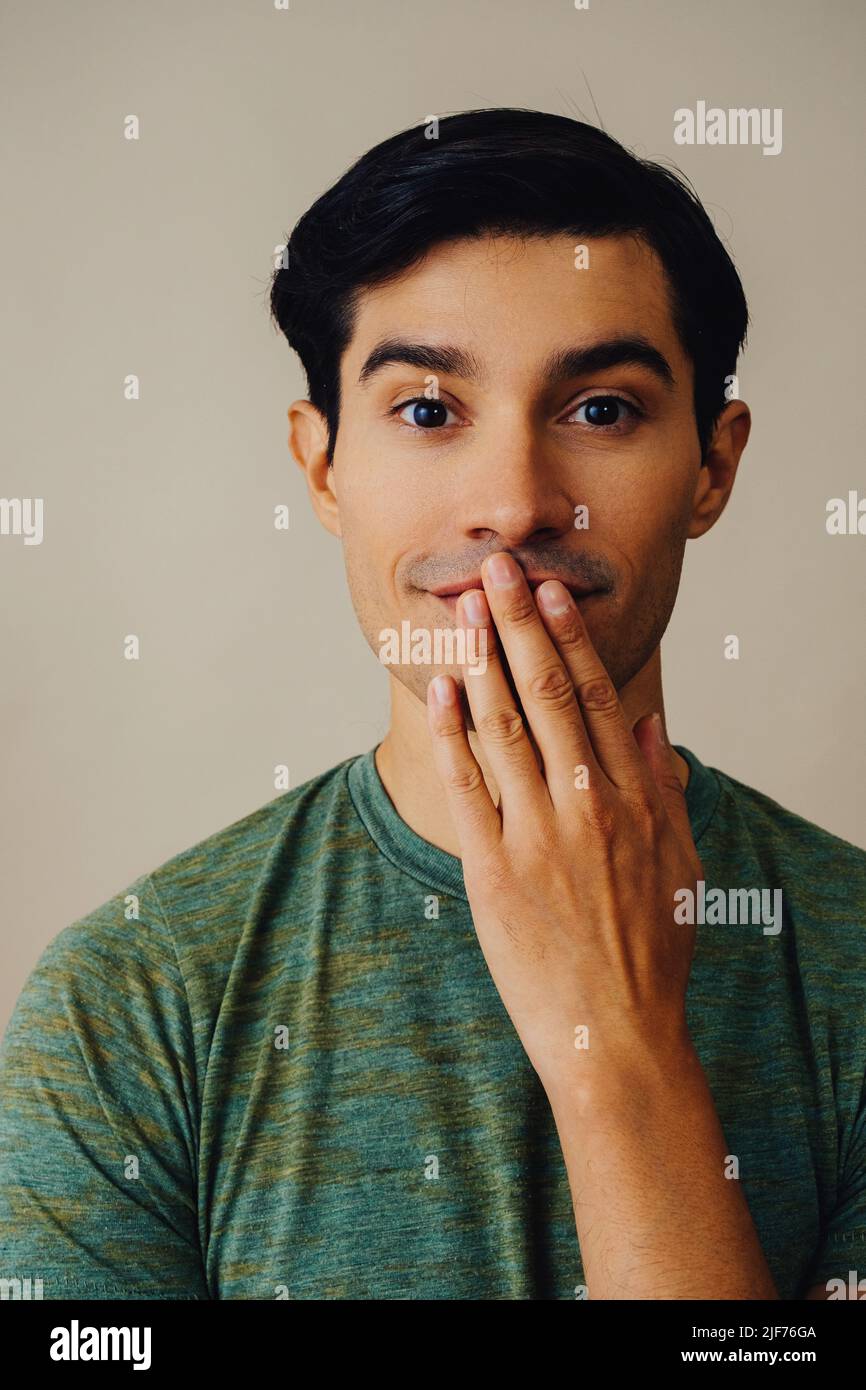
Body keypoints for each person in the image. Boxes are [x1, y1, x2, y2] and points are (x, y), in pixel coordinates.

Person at [2, 108, 864, 1301]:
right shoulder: (127, 1002)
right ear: (321, 465)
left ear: (711, 466)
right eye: (424, 410)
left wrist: (621, 1055)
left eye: (599, 408)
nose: (512, 504)